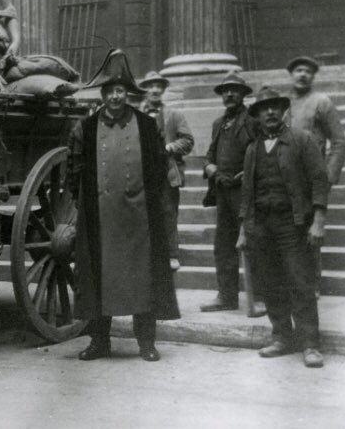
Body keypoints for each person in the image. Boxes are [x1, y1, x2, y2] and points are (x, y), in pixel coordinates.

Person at [71, 49, 180, 362]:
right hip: (101, 222)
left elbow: (160, 174)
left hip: (140, 223)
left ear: (127, 94)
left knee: (143, 282)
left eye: (120, 91)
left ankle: (146, 343)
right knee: (98, 282)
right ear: (103, 94)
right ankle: (99, 342)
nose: (115, 97)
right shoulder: (86, 128)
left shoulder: (147, 126)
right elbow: (75, 170)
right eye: (110, 91)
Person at [236, 87, 328, 368]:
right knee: (271, 284)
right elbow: (248, 191)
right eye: (264, 108)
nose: (270, 112)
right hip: (261, 226)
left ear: (283, 111)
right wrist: (243, 230)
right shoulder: (252, 149)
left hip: (294, 224)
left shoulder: (301, 140)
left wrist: (318, 221)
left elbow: (319, 180)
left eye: (275, 106)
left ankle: (310, 344)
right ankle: (282, 337)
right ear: (258, 115)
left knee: (301, 283)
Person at [200, 72, 263, 314]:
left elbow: (262, 152)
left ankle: (258, 298)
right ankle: (226, 296)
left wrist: (250, 174)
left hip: (246, 191)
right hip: (222, 191)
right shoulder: (219, 123)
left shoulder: (253, 121)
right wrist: (209, 166)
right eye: (225, 90)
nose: (229, 94)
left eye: (234, 90)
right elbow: (209, 154)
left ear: (243, 94)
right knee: (223, 245)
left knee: (252, 242)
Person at [138, 71, 194, 271]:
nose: (154, 90)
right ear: (144, 89)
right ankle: (146, 255)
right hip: (142, 172)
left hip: (167, 173)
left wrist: (170, 147)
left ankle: (171, 255)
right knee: (142, 213)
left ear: (163, 90)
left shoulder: (174, 115)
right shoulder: (135, 115)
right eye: (150, 86)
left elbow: (188, 141)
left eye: (158, 86)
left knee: (168, 212)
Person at [284, 56, 345, 187]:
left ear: (313, 77)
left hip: (312, 172)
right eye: (299, 70)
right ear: (291, 74)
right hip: (284, 172)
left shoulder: (321, 101)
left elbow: (339, 142)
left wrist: (329, 175)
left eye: (308, 72)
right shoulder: (282, 103)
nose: (303, 75)